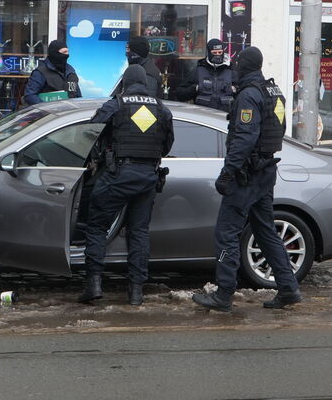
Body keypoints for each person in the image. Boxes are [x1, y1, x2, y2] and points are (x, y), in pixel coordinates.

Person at [192, 46, 301, 312]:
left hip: (246, 175)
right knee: (265, 231)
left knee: (226, 232)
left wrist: (228, 172)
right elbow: (278, 129)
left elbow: (244, 137)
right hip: (264, 171)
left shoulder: (249, 94)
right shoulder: (274, 91)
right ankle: (288, 288)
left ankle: (224, 293)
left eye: (238, 63)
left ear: (245, 66)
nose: (235, 67)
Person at [78, 64, 174, 306]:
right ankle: (136, 292)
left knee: (97, 227)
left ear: (125, 82)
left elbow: (89, 132)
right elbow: (167, 145)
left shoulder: (116, 104)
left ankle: (94, 285)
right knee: (138, 232)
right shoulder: (161, 108)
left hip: (118, 175)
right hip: (148, 177)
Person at [175, 38, 234, 111]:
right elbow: (180, 94)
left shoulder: (231, 71)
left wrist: (234, 89)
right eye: (214, 53)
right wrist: (195, 88)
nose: (217, 55)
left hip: (224, 115)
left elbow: (241, 95)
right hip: (203, 115)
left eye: (220, 52)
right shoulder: (198, 71)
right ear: (209, 53)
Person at [23, 40, 81, 105]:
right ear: (54, 53)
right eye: (64, 52)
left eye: (67, 52)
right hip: (49, 110)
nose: (67, 55)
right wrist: (46, 107)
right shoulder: (41, 72)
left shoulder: (71, 71)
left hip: (70, 110)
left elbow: (78, 95)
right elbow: (30, 96)